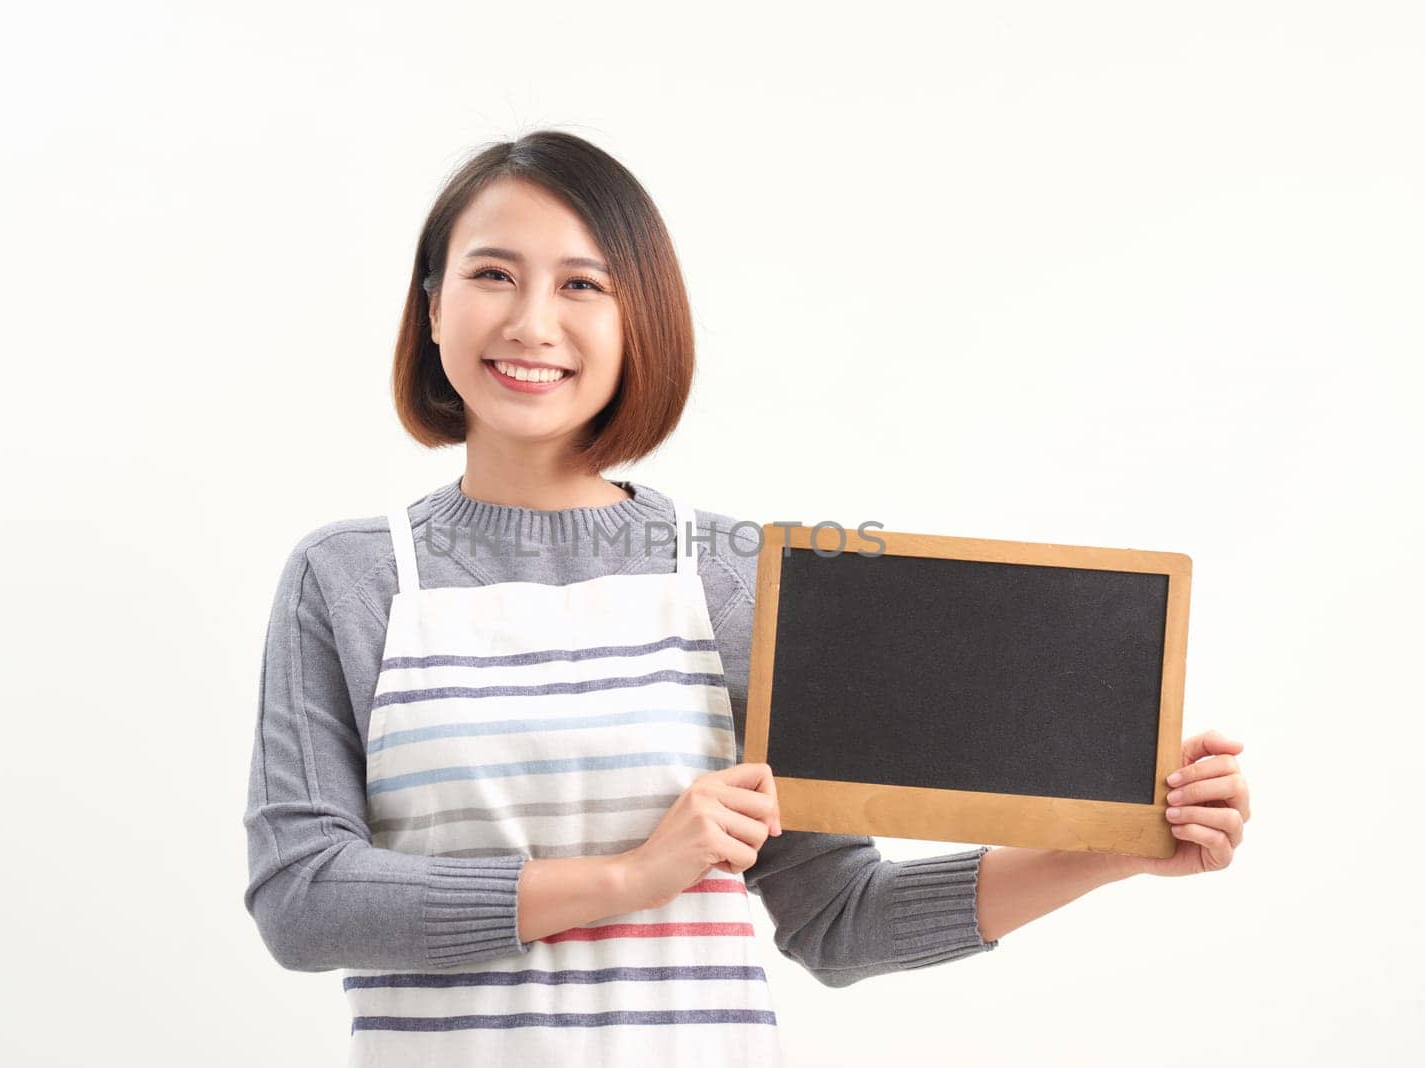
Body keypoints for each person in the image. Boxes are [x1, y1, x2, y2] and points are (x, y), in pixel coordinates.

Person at [241, 129, 1252, 1066]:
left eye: (582, 284)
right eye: (491, 275)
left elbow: (838, 918)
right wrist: (626, 879)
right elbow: (303, 898)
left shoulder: (734, 576)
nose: (530, 322)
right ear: (430, 306)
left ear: (640, 320)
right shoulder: (350, 578)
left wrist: (1114, 850)